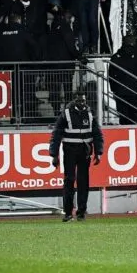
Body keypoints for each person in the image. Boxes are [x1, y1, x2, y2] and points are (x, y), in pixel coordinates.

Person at [49, 92, 104, 221]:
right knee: (69, 180)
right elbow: (56, 134)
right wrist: (54, 154)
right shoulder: (66, 114)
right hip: (70, 150)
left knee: (83, 182)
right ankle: (68, 212)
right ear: (74, 100)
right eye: (79, 101)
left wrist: (99, 152)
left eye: (83, 101)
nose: (82, 104)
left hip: (85, 151)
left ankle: (81, 212)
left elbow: (97, 134)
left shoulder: (90, 114)